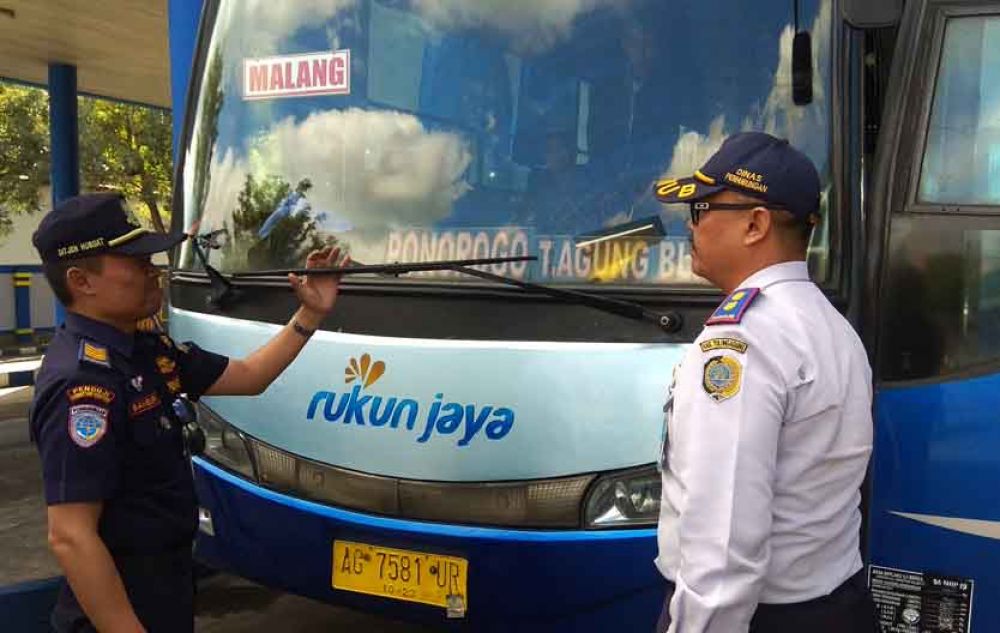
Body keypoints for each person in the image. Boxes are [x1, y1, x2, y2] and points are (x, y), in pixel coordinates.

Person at [29, 192, 344, 633]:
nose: (152, 271)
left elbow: (251, 376)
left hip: (167, 594)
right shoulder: (82, 385)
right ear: (82, 282)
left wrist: (310, 313)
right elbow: (70, 536)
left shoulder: (147, 349)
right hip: (117, 614)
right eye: (135, 262)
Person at [652, 132, 878, 632]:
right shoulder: (836, 330)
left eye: (701, 209)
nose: (692, 226)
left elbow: (725, 552)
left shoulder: (738, 346)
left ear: (755, 224)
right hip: (837, 605)